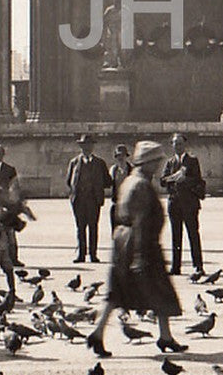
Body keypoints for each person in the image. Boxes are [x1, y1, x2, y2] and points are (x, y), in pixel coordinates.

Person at [86, 140, 186, 357]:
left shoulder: (131, 181)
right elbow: (141, 220)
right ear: (148, 162)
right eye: (157, 161)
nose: (160, 165)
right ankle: (164, 337)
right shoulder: (141, 185)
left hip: (123, 242)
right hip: (140, 244)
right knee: (159, 289)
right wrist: (140, 256)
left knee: (117, 292)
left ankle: (98, 332)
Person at [161, 133, 206, 277]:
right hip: (174, 203)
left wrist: (184, 179)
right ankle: (176, 266)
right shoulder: (170, 163)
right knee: (176, 235)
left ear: (184, 145)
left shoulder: (192, 161)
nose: (177, 146)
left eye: (180, 143)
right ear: (172, 145)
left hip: (189, 203)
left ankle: (198, 266)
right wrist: (172, 178)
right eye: (175, 143)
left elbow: (197, 180)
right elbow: (162, 181)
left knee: (193, 234)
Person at [66, 134, 110, 263]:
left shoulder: (99, 163)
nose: (87, 148)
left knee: (93, 227)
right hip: (79, 200)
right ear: (81, 147)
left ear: (93, 147)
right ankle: (81, 254)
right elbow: (69, 181)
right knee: (80, 227)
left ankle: (93, 254)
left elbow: (107, 181)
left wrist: (97, 188)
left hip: (93, 200)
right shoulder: (74, 162)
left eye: (90, 145)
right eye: (85, 145)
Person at [109, 144, 133, 228]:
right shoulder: (113, 170)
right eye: (118, 155)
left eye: (122, 155)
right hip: (116, 204)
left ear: (126, 156)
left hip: (129, 205)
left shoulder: (132, 170)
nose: (120, 158)